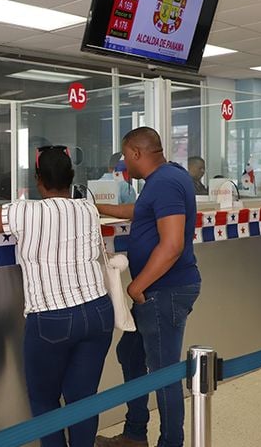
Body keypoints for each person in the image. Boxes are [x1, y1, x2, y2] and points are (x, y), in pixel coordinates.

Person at [0, 145, 114, 447]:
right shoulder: (88, 208)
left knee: (45, 401)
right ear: (72, 177)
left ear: (38, 179)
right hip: (99, 311)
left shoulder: (26, 211)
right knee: (83, 398)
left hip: (52, 318)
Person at [94, 128, 200, 447]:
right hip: (159, 289)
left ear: (137, 154)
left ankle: (171, 442)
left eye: (126, 157)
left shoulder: (165, 183)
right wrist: (96, 207)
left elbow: (171, 245)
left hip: (162, 290)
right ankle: (135, 433)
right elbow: (139, 212)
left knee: (163, 372)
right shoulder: (165, 179)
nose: (125, 164)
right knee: (130, 353)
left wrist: (136, 287)